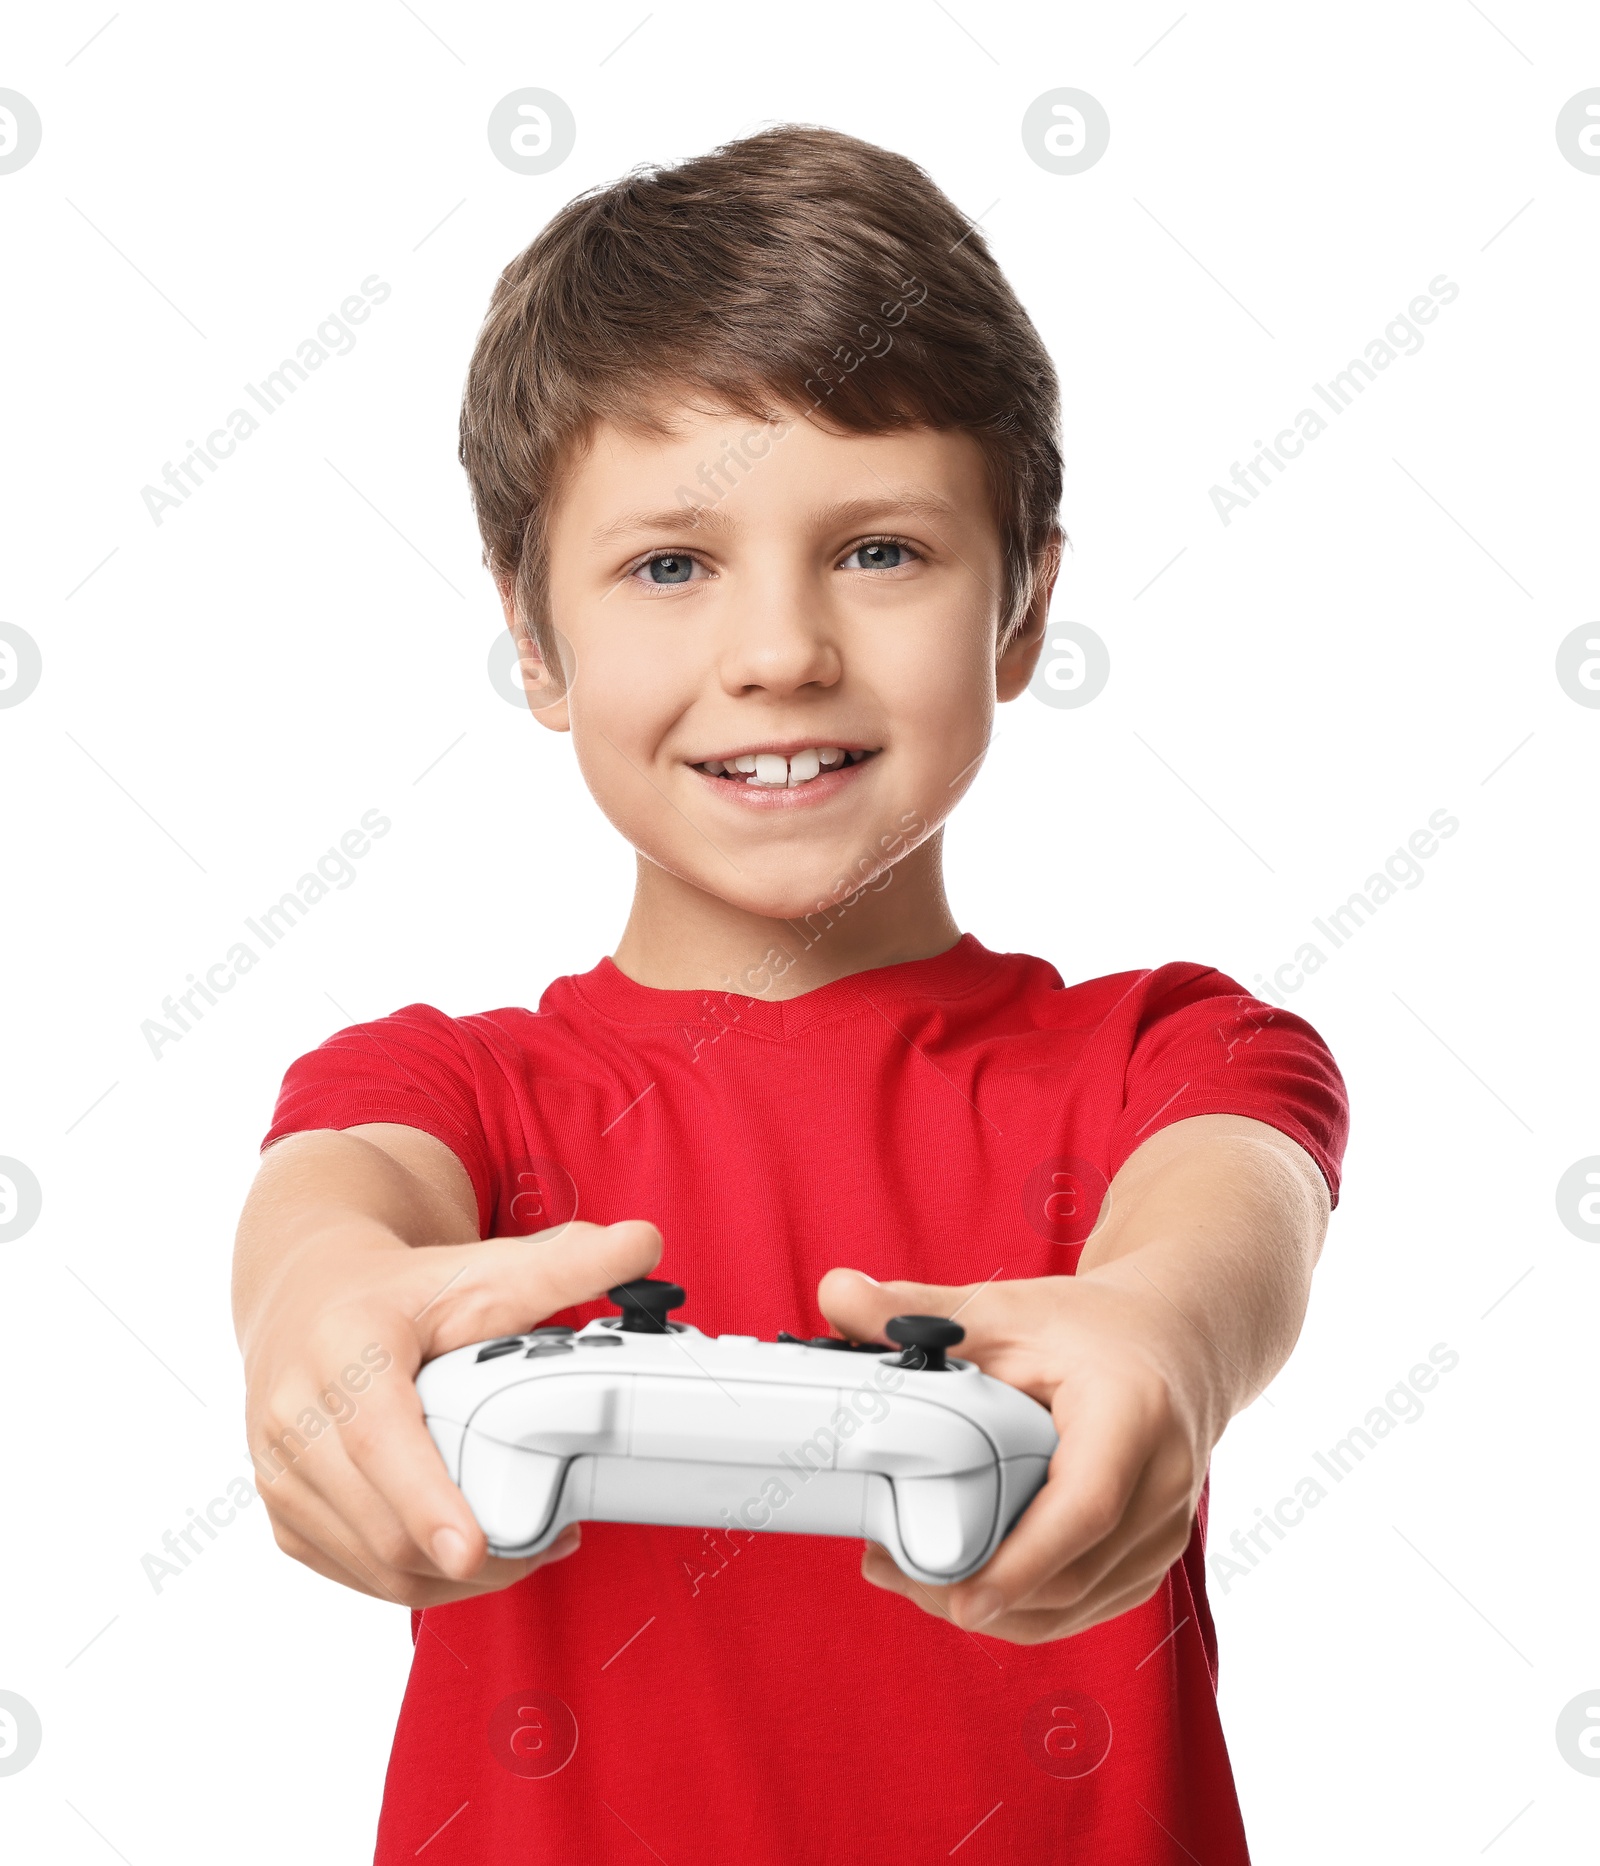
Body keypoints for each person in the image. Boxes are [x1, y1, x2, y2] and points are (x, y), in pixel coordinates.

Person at [232, 124, 1348, 1863]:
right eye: (671, 564)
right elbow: (329, 1221)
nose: (781, 652)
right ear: (536, 637)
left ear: (1026, 604)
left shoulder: (1173, 1055)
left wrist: (1168, 1336)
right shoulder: (447, 1088)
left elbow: (1233, 1225)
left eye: (881, 551)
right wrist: (316, 1321)